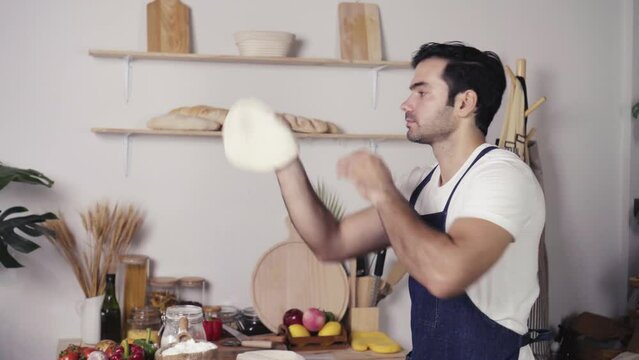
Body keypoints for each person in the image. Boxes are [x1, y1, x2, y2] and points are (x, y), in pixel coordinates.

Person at [274, 42, 545, 360]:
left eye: (422, 92)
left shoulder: (502, 176)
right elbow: (329, 242)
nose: (406, 104)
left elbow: (446, 276)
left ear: (464, 103)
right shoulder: (420, 184)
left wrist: (382, 192)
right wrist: (283, 158)